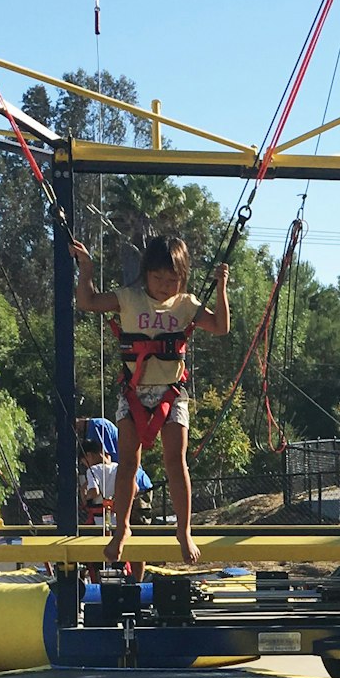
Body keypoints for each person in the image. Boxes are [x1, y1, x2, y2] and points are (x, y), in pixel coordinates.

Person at [69, 233, 229, 566]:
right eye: (157, 279)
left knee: (176, 463)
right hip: (135, 393)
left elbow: (220, 326)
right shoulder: (129, 298)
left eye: (172, 280)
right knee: (128, 463)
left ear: (182, 279)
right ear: (145, 275)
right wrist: (86, 269)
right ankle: (122, 528)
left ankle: (184, 530)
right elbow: (88, 302)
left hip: (172, 394)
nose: (164, 286)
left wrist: (222, 286)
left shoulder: (187, 304)